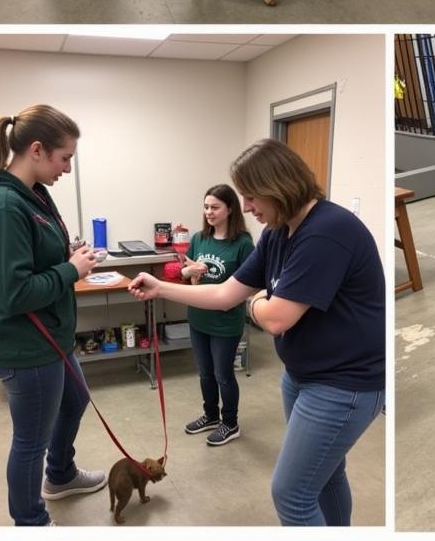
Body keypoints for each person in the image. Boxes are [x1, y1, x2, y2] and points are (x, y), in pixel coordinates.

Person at [128, 140, 384, 526]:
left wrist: (257, 303)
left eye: (251, 196)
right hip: (302, 375)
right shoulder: (278, 234)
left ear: (278, 185)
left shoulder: (327, 231)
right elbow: (224, 292)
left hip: (345, 384)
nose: (246, 207)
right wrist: (160, 288)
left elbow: (277, 318)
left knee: (292, 494)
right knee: (326, 477)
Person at [0, 105, 104, 527]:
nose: (67, 167)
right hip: (25, 346)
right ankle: (30, 521)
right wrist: (71, 270)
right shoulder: (4, 205)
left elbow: (33, 259)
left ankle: (61, 475)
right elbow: (14, 293)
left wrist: (66, 255)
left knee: (76, 399)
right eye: (65, 158)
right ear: (38, 150)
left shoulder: (35, 194)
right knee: (30, 442)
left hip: (50, 338)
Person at [179, 184, 254, 447]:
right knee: (205, 372)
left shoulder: (243, 244)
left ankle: (230, 423)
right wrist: (190, 274)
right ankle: (211, 415)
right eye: (206, 206)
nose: (209, 212)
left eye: (215, 207)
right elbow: (188, 277)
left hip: (225, 321)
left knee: (223, 374)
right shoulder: (199, 238)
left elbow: (248, 284)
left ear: (230, 209)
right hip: (199, 318)